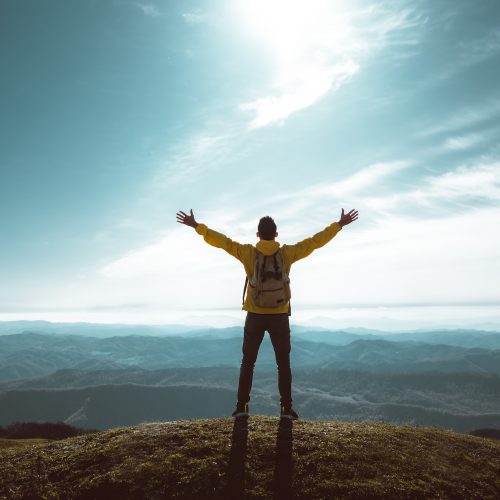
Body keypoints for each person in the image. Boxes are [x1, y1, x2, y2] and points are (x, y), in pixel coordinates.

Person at [176, 208, 359, 419]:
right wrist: (339, 225)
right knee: (283, 363)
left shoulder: (248, 252)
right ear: (276, 235)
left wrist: (197, 227)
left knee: (248, 362)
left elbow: (223, 242)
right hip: (280, 315)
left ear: (257, 235)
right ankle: (286, 409)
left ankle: (242, 408)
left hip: (254, 314)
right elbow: (314, 242)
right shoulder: (287, 253)